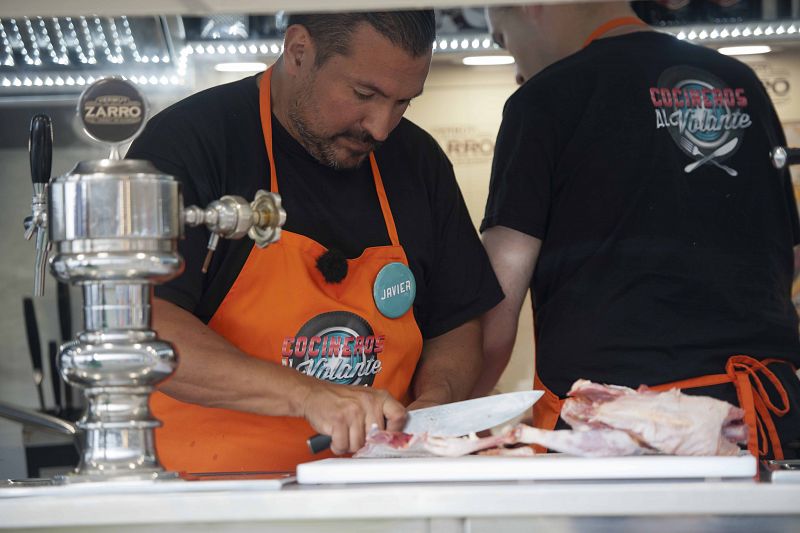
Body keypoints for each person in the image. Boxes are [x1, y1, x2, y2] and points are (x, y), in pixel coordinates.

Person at [126, 10, 503, 472]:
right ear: (299, 51)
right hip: (212, 491)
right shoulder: (190, 143)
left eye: (403, 102)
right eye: (364, 94)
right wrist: (308, 395)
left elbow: (456, 324)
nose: (381, 127)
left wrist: (434, 403)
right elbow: (148, 328)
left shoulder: (417, 161)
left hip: (383, 487)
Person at [477, 1, 800, 459]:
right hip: (760, 423)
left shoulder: (544, 98)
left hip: (622, 437)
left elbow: (495, 304)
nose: (516, 71)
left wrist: (454, 413)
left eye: (503, 41)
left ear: (533, 5)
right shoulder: (740, 82)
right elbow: (785, 259)